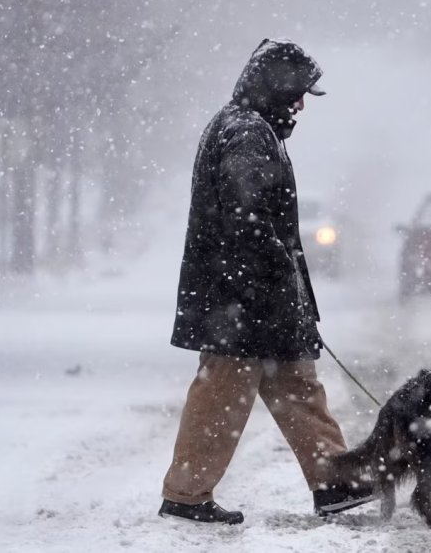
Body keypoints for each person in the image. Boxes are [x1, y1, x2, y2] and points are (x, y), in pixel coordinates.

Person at [158, 39, 373, 524]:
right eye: (296, 93)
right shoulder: (246, 133)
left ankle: (333, 482)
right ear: (274, 88)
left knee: (297, 385)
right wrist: (276, 276)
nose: (300, 105)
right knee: (222, 394)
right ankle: (186, 496)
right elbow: (246, 216)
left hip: (254, 295)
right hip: (240, 298)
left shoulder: (249, 128)